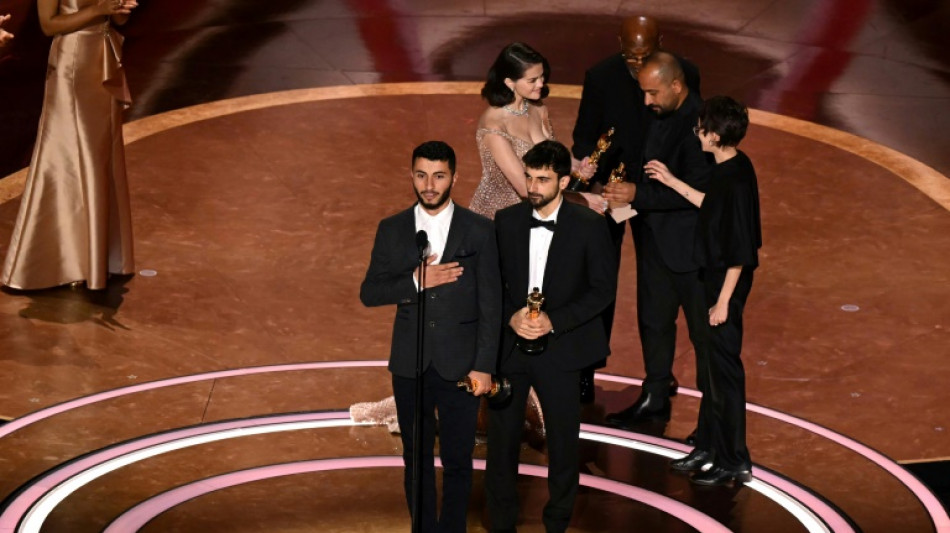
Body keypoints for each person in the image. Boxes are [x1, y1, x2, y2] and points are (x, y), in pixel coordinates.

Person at [359, 141, 502, 532]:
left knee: (458, 460)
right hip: (411, 364)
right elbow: (370, 292)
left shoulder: (480, 230)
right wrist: (414, 282)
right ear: (411, 175)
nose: (429, 184)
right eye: (421, 175)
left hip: (461, 365)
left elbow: (492, 305)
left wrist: (484, 366)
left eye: (439, 176)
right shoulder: (392, 230)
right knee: (416, 459)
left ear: (454, 177)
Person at [487, 140, 617, 532]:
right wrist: (511, 317)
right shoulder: (506, 221)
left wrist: (552, 320)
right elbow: (494, 282)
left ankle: (557, 523)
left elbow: (602, 291)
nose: (532, 186)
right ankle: (501, 524)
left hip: (561, 350)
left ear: (564, 181)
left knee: (563, 445)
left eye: (542, 179)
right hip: (510, 349)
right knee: (502, 444)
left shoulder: (591, 227)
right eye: (529, 177)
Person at [571, 15, 701, 404]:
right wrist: (591, 177)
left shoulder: (683, 73)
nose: (635, 62)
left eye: (643, 54)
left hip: (657, 197)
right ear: (618, 44)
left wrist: (654, 187)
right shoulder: (601, 76)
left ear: (661, 43)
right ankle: (586, 370)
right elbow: (584, 134)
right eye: (629, 55)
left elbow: (688, 137)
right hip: (610, 195)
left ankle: (657, 383)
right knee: (599, 283)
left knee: (656, 295)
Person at [645, 95, 762, 486]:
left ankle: (734, 459)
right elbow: (711, 207)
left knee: (725, 375)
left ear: (713, 136)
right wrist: (673, 180)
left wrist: (723, 303)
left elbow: (741, 252)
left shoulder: (737, 179)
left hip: (723, 287)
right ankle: (710, 447)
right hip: (711, 280)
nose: (697, 132)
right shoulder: (729, 166)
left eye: (701, 128)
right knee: (712, 372)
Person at [602, 52, 713, 434]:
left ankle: (711, 419)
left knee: (704, 335)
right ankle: (654, 395)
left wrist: (637, 194)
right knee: (654, 321)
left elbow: (695, 193)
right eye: (643, 92)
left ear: (677, 86)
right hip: (654, 243)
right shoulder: (657, 115)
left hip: (693, 250)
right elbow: (646, 164)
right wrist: (623, 186)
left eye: (652, 92)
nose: (646, 101)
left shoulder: (702, 126)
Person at [2, 0, 137, 290]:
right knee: (72, 156)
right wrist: (98, 10)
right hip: (72, 65)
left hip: (103, 57)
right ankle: (65, 261)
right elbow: (49, 25)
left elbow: (118, 20)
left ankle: (102, 256)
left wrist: (121, 10)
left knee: (101, 156)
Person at [469, 42, 597, 220]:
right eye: (532, 80)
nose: (541, 84)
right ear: (509, 83)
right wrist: (579, 201)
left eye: (542, 77)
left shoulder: (538, 108)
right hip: (500, 221)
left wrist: (576, 166)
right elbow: (525, 189)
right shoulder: (494, 127)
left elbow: (552, 154)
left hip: (540, 212)